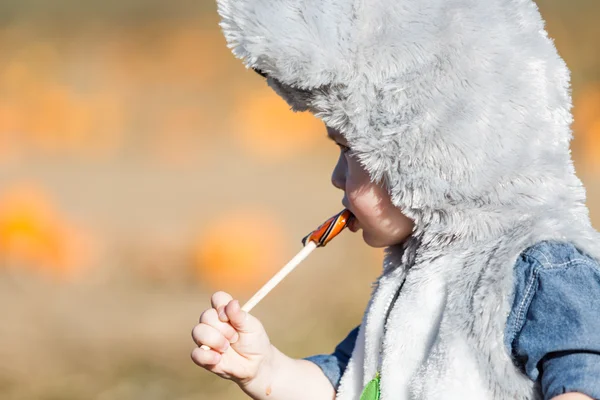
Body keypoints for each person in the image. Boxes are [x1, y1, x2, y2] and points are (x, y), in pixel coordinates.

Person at [191, 0, 600, 398]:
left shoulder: (539, 269)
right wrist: (267, 369)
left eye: (349, 151)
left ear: (420, 150)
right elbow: (347, 385)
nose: (336, 177)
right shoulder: (410, 283)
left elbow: (585, 375)